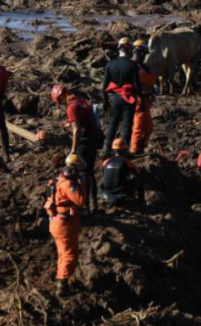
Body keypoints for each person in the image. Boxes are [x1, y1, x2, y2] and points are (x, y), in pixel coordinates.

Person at [52, 85, 103, 213]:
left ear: (61, 96)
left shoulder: (72, 107)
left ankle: (85, 206)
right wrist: (70, 123)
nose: (62, 104)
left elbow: (77, 129)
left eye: (60, 101)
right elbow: (83, 121)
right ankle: (94, 205)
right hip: (94, 139)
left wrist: (73, 150)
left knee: (82, 173)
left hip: (84, 142)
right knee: (90, 173)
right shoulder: (81, 102)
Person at [45, 154, 86, 296]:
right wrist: (80, 183)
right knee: (69, 255)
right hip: (64, 224)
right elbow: (80, 201)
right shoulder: (69, 185)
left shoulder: (58, 181)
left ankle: (62, 279)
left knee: (63, 254)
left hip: (57, 222)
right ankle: (62, 285)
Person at [102, 37, 143, 158]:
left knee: (113, 123)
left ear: (118, 48)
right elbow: (137, 86)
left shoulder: (110, 64)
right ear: (130, 50)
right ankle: (123, 152)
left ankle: (106, 150)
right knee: (126, 125)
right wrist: (142, 99)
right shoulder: (132, 65)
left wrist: (105, 101)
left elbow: (104, 86)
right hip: (128, 98)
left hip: (115, 98)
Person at [130, 39, 157, 155]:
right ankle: (135, 150)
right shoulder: (132, 67)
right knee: (139, 126)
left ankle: (141, 147)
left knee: (148, 127)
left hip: (146, 101)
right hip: (138, 101)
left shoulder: (143, 67)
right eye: (143, 54)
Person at [99, 138, 144, 206]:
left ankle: (108, 197)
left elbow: (104, 174)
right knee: (138, 180)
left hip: (107, 192)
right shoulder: (127, 162)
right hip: (121, 195)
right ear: (125, 150)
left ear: (113, 150)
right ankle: (141, 202)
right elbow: (138, 174)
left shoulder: (105, 162)